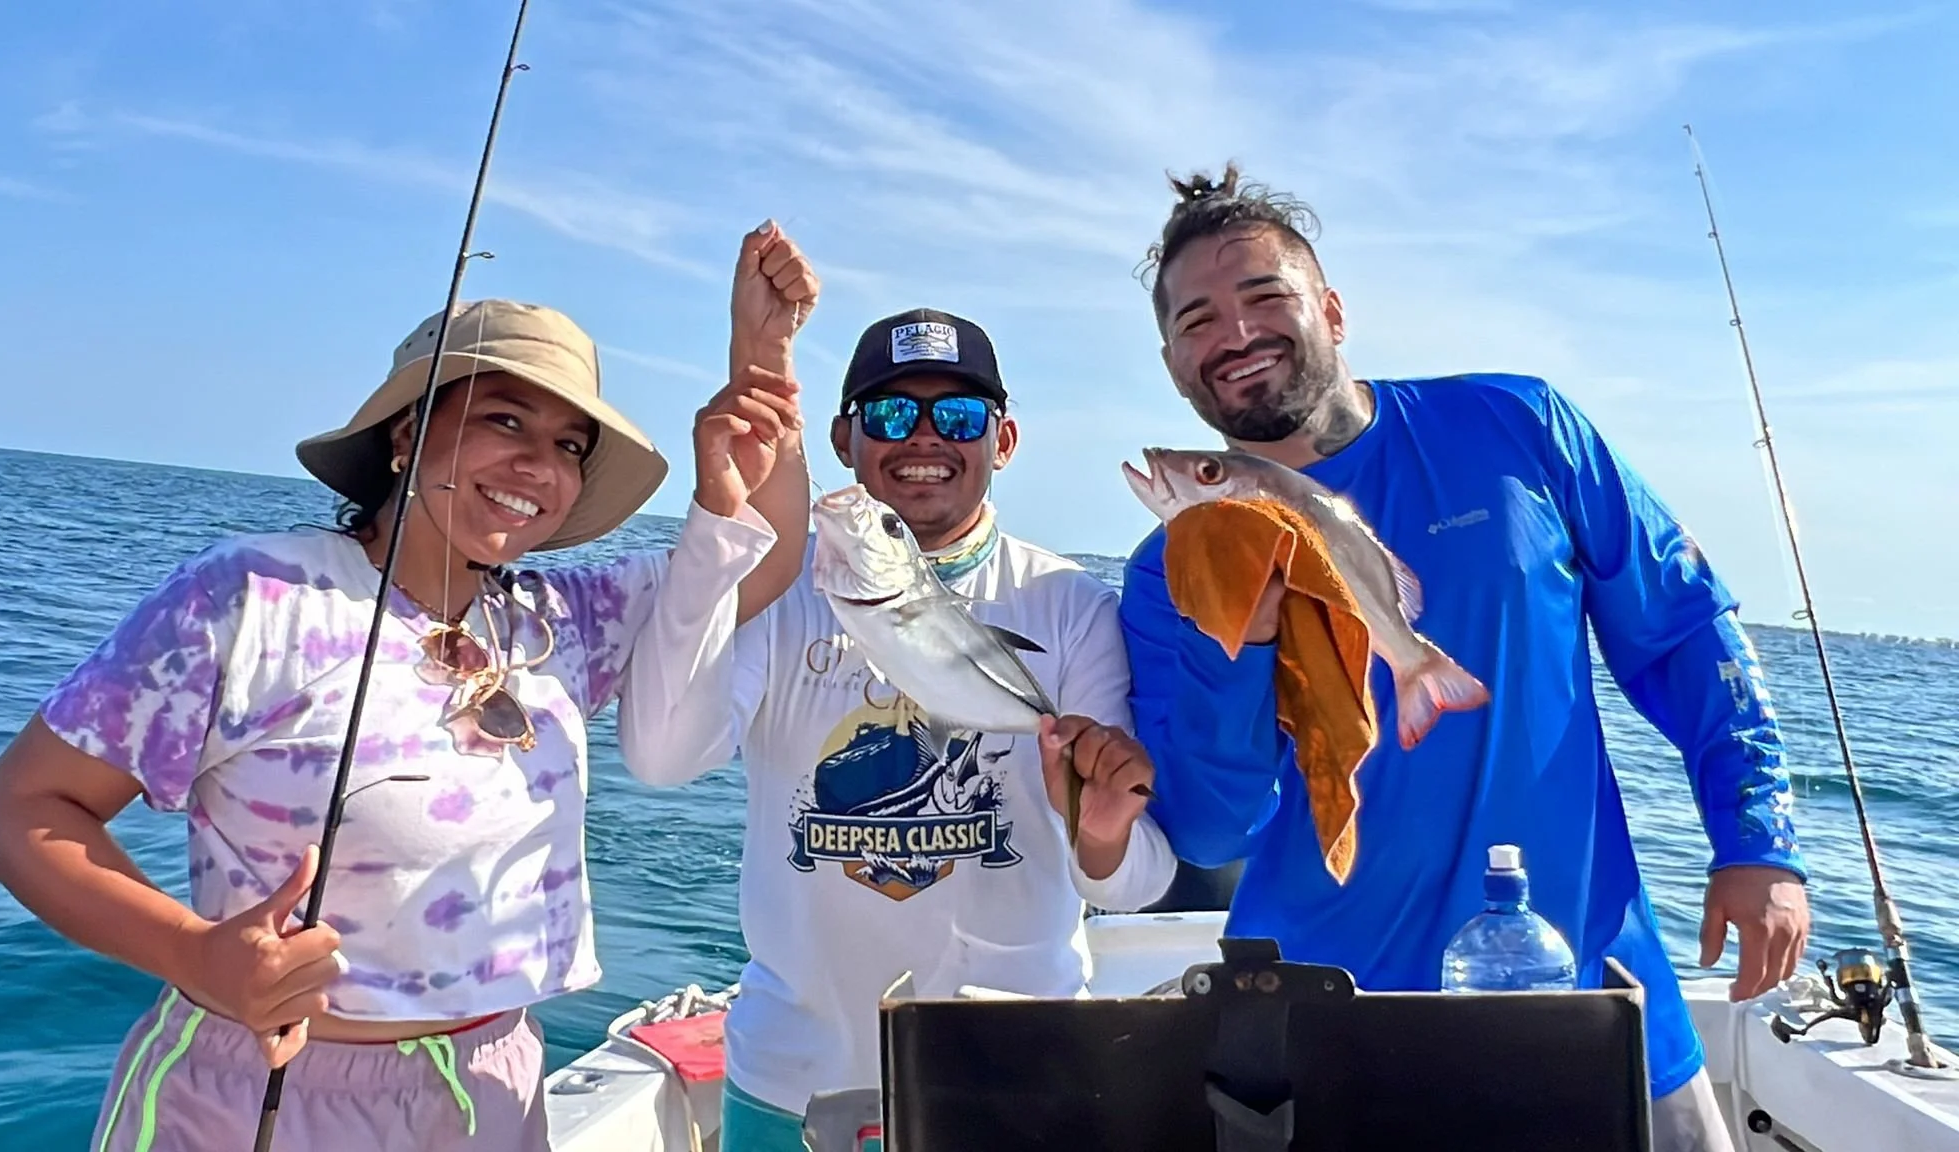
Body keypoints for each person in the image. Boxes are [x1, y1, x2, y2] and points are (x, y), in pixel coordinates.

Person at [0, 221, 823, 1152]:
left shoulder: (563, 619)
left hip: (497, 1085)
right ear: (407, 438)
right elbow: (21, 811)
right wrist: (194, 955)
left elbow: (757, 565)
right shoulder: (256, 594)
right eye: (504, 420)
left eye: (571, 445)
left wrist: (763, 362)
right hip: (265, 1086)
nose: (540, 464)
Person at [1114, 164, 1811, 1152]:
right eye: (1195, 321)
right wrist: (1245, 643)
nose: (1232, 334)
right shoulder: (1162, 575)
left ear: (1331, 308)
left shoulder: (1515, 426)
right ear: (1172, 362)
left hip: (1583, 995)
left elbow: (1683, 630)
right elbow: (1211, 827)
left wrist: (1756, 842)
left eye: (1263, 296)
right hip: (1320, 1032)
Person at [619, 306, 1180, 1151]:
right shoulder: (778, 593)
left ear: (1005, 439)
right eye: (889, 414)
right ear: (844, 439)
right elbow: (663, 759)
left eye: (957, 415)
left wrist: (1098, 835)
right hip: (788, 1084)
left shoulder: (1070, 607)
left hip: (1019, 1077)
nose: (923, 438)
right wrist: (719, 528)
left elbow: (1131, 885)